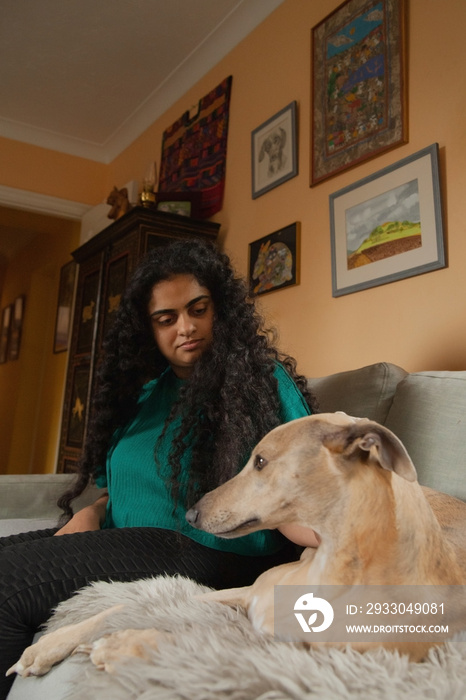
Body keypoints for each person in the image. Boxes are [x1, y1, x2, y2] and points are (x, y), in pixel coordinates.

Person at [0, 238, 317, 697]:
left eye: (198, 309)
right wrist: (89, 513)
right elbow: (119, 489)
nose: (185, 327)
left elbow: (302, 488)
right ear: (147, 330)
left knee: (7, 587)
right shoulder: (146, 396)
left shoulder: (261, 382)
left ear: (220, 309)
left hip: (204, 550)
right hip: (124, 539)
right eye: (166, 319)